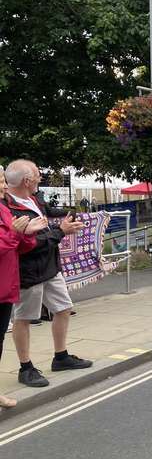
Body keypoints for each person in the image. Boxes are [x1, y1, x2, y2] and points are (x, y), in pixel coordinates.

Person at [5, 160, 92, 388]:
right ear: (26, 181)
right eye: (36, 175)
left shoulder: (34, 198)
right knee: (23, 319)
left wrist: (73, 214)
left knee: (63, 309)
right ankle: (26, 368)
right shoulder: (9, 209)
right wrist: (60, 231)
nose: (39, 178)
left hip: (50, 267)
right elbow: (29, 244)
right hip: (28, 272)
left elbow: (48, 214)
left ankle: (61, 357)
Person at [0, 165, 47, 407]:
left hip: (6, 286)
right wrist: (16, 234)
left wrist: (29, 233)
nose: (4, 185)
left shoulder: (2, 208)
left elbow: (19, 246)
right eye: (0, 181)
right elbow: (4, 243)